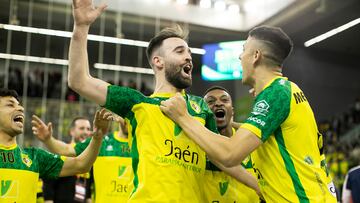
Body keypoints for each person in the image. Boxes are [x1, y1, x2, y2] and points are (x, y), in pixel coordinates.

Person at [67, 0, 260, 202]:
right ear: (158, 61)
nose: (188, 58)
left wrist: (259, 186)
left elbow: (222, 157)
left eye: (189, 53)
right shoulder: (137, 103)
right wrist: (81, 27)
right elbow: (79, 81)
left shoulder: (201, 108)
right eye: (179, 51)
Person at [160, 25, 337, 202]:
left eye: (244, 50)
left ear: (256, 56)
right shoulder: (289, 89)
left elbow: (230, 154)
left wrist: (183, 117)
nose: (239, 56)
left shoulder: (275, 95)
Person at [0, 88, 108, 202]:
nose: (20, 108)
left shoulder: (35, 158)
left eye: (19, 105)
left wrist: (97, 136)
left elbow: (81, 164)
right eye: (10, 105)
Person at [33, 113, 133, 202]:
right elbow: (67, 150)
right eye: (127, 114)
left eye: (134, 116)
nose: (130, 119)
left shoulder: (144, 145)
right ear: (117, 116)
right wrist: (48, 140)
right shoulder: (101, 142)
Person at [203, 86, 260, 203]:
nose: (218, 103)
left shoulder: (250, 141)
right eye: (210, 101)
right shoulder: (198, 143)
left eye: (224, 100)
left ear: (232, 111)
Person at [37, 117, 92, 203]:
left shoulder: (90, 157)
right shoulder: (61, 152)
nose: (86, 132)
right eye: (82, 128)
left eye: (88, 129)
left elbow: (88, 192)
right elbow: (48, 187)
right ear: (72, 131)